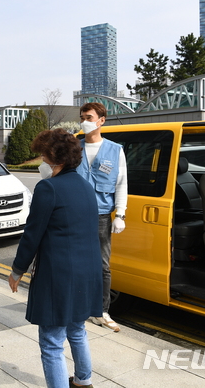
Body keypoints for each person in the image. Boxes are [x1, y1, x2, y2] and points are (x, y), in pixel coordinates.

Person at [9, 129, 102, 388]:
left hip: (59, 274)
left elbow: (32, 235)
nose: (41, 161)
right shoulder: (85, 186)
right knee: (77, 329)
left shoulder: (48, 187)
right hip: (87, 271)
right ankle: (84, 380)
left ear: (56, 158)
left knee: (51, 342)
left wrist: (17, 270)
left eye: (43, 155)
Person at [76, 101, 128, 332]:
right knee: (74, 263)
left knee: (102, 266)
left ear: (101, 120)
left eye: (88, 117)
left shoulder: (115, 150)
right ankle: (75, 306)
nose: (84, 122)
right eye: (82, 117)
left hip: (101, 217)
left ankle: (101, 311)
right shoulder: (73, 148)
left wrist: (121, 214)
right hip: (73, 215)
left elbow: (121, 184)